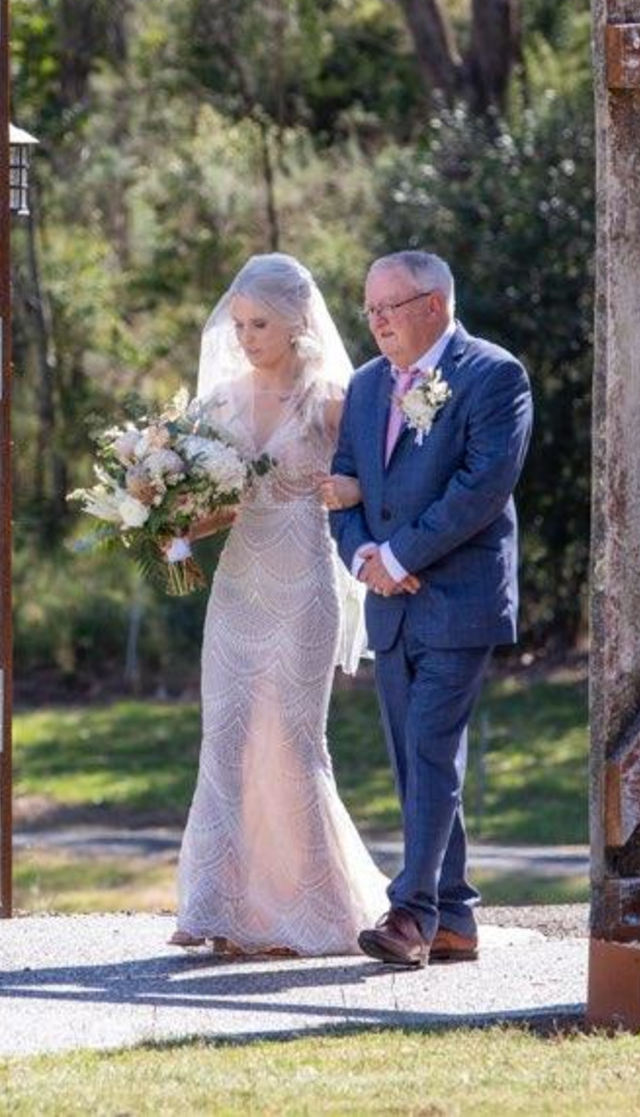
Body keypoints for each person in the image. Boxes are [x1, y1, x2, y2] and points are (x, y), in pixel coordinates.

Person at [167, 253, 388, 956]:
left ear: (296, 323)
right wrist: (166, 524)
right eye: (238, 324)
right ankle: (216, 909)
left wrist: (350, 493)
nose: (245, 336)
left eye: (259, 323)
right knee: (225, 739)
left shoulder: (332, 400)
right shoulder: (222, 399)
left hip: (303, 583)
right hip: (238, 587)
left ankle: (308, 915)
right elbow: (218, 505)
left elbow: (371, 485)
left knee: (292, 743)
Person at [321, 249, 533, 968]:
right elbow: (343, 487)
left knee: (432, 751)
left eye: (391, 307)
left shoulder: (493, 375)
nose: (377, 321)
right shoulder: (366, 384)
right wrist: (364, 560)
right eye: (370, 308)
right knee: (414, 762)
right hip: (389, 600)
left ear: (435, 305)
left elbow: (481, 486)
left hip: (458, 596)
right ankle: (455, 919)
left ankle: (411, 914)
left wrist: (403, 556)